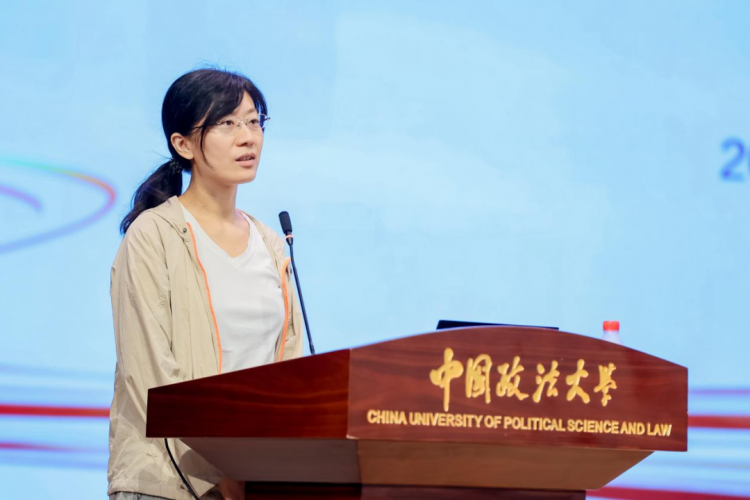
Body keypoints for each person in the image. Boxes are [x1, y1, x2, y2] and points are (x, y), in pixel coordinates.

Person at [108, 68, 304, 500]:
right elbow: (150, 375)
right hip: (166, 483)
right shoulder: (153, 235)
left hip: (253, 482)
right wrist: (221, 473)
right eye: (227, 123)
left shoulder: (271, 244)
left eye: (254, 121)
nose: (247, 138)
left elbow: (289, 372)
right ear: (183, 144)